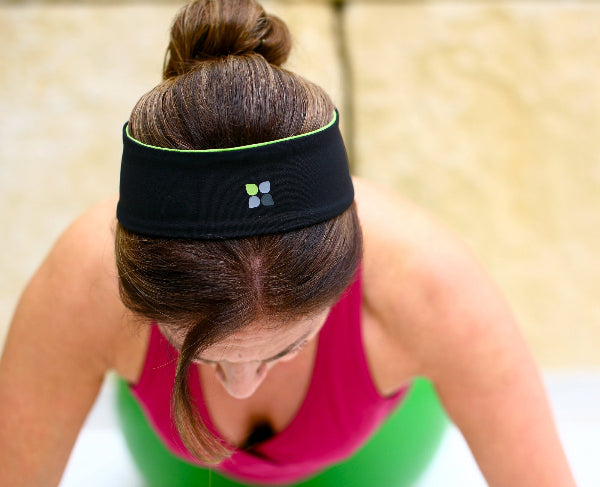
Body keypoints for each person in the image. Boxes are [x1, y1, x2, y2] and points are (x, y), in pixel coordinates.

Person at [0, 1, 575, 486]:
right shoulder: (87, 281)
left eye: (286, 348)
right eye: (201, 354)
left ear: (350, 273)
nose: (245, 387)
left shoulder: (432, 287)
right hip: (179, 453)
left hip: (373, 448)